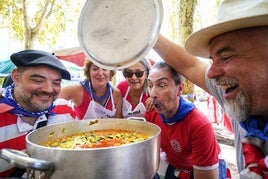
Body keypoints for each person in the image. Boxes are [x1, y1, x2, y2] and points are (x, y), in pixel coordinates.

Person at [153, 0, 268, 178]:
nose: (213, 73)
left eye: (226, 57)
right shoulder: (244, 97)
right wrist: (145, 31)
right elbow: (189, 66)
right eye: (212, 60)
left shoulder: (198, 123)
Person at [145, 62, 231, 179]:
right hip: (176, 164)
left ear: (180, 89)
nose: (153, 93)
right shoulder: (151, 114)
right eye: (150, 85)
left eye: (162, 85)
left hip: (206, 167)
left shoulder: (198, 124)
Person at [0, 49, 76, 177]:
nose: (48, 89)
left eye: (56, 83)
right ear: (16, 77)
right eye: (38, 80)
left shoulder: (65, 110)